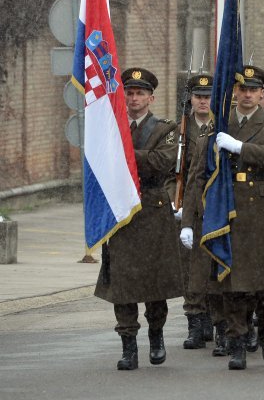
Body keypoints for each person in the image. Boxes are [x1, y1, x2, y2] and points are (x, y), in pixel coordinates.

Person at [181, 64, 264, 369]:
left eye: (253, 90)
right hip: (227, 212)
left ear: (262, 94)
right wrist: (189, 222)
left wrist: (241, 147)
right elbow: (197, 178)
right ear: (234, 92)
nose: (247, 94)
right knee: (232, 284)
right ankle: (237, 342)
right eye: (242, 89)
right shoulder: (220, 124)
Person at [95, 67, 183, 371]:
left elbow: (162, 162)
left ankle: (156, 335)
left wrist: (123, 154)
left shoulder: (166, 128)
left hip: (153, 209)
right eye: (130, 92)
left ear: (151, 97)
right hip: (121, 211)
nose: (134, 98)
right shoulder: (111, 126)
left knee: (154, 284)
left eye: (140, 93)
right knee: (123, 283)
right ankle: (128, 346)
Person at [174, 73, 221, 350]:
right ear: (190, 99)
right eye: (198, 96)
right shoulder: (180, 130)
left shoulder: (222, 128)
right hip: (188, 204)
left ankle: (216, 320)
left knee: (214, 266)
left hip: (214, 204)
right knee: (190, 269)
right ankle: (195, 321)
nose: (203, 101)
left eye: (208, 97)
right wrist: (174, 200)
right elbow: (174, 171)